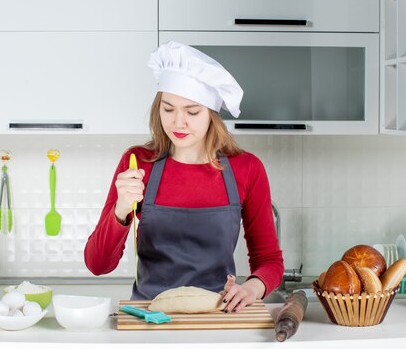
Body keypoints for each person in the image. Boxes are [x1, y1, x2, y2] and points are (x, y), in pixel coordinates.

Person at [84, 41, 284, 313]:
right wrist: (120, 210)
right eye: (168, 109)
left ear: (212, 114)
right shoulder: (138, 163)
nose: (178, 122)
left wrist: (253, 286)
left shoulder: (247, 168)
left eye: (192, 111)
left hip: (217, 315)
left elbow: (269, 259)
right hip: (147, 317)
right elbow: (98, 265)